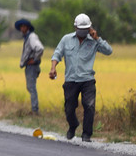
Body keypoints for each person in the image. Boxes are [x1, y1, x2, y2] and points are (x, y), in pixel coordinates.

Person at [49, 13, 114, 142]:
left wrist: (97, 38)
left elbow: (109, 51)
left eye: (86, 30)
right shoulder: (66, 39)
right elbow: (57, 53)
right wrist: (53, 68)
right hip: (71, 80)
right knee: (69, 107)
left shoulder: (94, 41)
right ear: (75, 27)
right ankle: (73, 125)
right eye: (81, 29)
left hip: (87, 80)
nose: (83, 32)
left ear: (90, 29)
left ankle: (86, 134)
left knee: (89, 106)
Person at [14, 18, 44, 114]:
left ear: (27, 27)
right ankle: (34, 109)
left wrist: (34, 59)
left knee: (31, 87)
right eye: (21, 27)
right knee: (30, 87)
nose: (22, 28)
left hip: (32, 66)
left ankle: (35, 110)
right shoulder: (27, 37)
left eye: (23, 26)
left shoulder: (31, 37)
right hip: (29, 66)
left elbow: (39, 48)